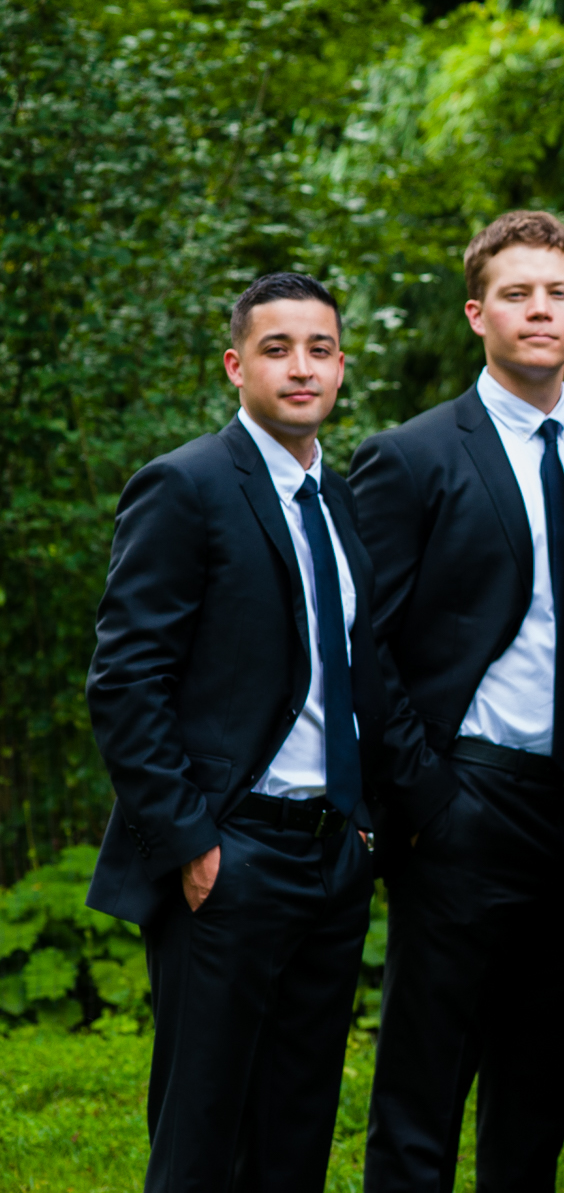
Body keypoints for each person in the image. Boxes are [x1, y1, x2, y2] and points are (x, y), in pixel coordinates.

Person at [85, 273, 456, 1193]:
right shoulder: (186, 485)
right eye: (278, 349)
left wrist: (380, 817)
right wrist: (191, 841)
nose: (302, 368)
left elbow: (354, 669)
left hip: (332, 860)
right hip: (229, 858)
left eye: (320, 350)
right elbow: (126, 679)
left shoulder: (336, 496)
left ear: (341, 367)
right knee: (201, 1135)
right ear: (234, 366)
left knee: (295, 1130)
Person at [351, 211, 564, 1192]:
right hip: (468, 801)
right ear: (479, 313)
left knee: (540, 1085)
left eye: (556, 292)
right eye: (516, 293)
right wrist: (427, 799)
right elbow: (365, 645)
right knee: (425, 1087)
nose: (538, 309)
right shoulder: (412, 456)